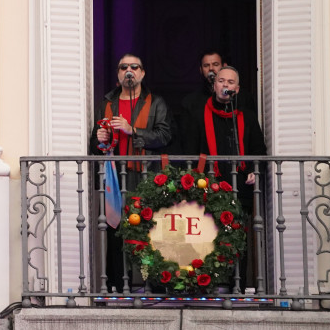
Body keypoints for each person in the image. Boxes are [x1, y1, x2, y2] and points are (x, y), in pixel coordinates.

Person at [89, 53, 173, 292]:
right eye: (124, 67)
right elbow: (94, 144)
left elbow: (165, 136)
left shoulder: (155, 102)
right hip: (114, 176)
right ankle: (117, 286)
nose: (129, 70)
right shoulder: (106, 104)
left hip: (145, 175)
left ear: (142, 73)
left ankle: (153, 285)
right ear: (118, 74)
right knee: (117, 232)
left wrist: (132, 130)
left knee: (147, 232)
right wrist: (100, 139)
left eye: (134, 66)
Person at [181, 66, 266, 288]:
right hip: (209, 186)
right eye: (221, 81)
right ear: (214, 85)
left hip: (241, 188)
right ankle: (209, 285)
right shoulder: (198, 113)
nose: (225, 85)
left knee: (237, 239)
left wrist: (254, 171)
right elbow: (189, 151)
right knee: (208, 239)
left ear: (236, 89)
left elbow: (259, 150)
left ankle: (236, 286)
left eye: (230, 82)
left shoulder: (246, 116)